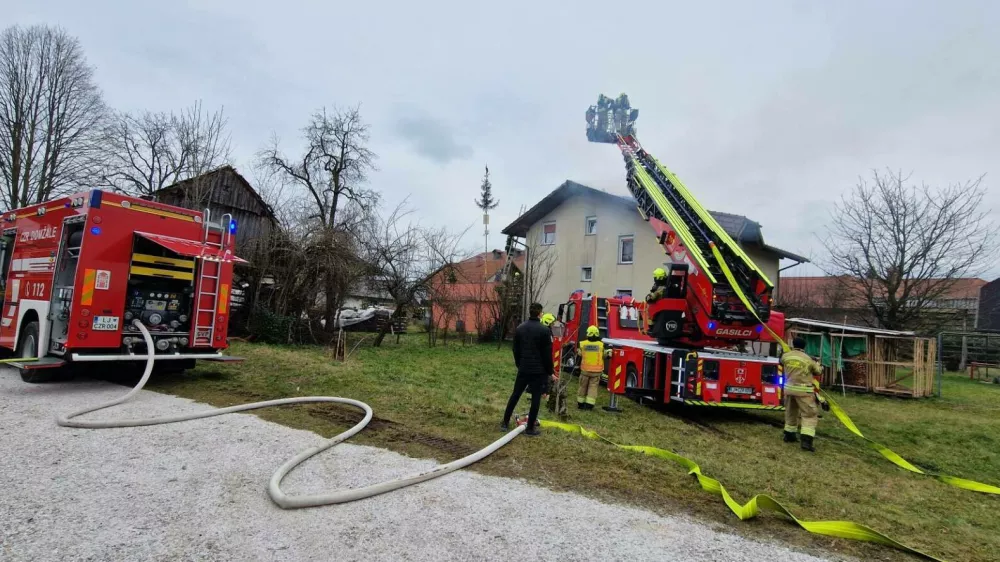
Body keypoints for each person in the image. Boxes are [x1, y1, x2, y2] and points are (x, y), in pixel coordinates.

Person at [501, 303, 554, 436]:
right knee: (536, 398)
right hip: (538, 371)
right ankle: (530, 428)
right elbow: (547, 355)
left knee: (515, 395)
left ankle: (505, 423)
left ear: (530, 312)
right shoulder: (544, 331)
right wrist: (549, 371)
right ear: (540, 313)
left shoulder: (520, 328)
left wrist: (520, 364)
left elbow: (515, 349)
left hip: (524, 368)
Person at [780, 337, 823, 452]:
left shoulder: (786, 356)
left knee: (790, 413)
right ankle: (806, 442)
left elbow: (781, 361)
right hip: (804, 392)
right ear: (805, 346)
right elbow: (818, 371)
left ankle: (789, 436)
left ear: (793, 344)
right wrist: (818, 362)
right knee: (809, 415)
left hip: (788, 390)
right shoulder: (808, 359)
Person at [577, 325, 610, 410]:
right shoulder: (601, 345)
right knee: (593, 388)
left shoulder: (582, 344)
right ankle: (589, 405)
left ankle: (580, 403)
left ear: (588, 334)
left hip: (585, 370)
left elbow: (579, 354)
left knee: (582, 386)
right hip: (596, 372)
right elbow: (606, 354)